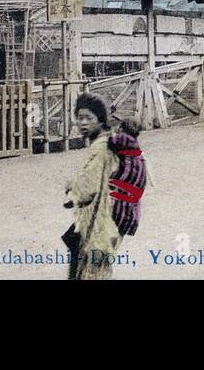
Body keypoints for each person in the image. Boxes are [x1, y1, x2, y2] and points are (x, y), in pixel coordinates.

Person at [64, 93, 121, 280]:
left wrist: (72, 187)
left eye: (89, 118)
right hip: (104, 218)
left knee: (90, 273)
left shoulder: (100, 147)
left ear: (101, 120)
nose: (83, 123)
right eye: (80, 118)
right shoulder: (105, 142)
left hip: (97, 221)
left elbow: (88, 187)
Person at [107, 116, 149, 240]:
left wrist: (111, 131)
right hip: (136, 179)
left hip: (129, 178)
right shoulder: (134, 142)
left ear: (122, 128)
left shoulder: (125, 139)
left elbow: (110, 141)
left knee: (120, 209)